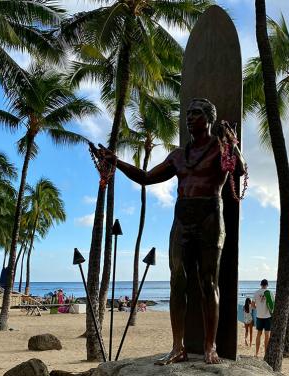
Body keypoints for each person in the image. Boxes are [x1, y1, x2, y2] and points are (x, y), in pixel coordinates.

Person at [95, 98, 245, 365]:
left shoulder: (221, 148)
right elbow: (146, 177)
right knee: (177, 280)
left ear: (209, 119)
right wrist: (116, 161)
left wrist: (233, 143)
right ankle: (178, 347)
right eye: (188, 113)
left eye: (196, 113)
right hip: (182, 218)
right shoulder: (178, 155)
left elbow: (240, 170)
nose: (189, 117)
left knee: (208, 282)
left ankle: (210, 347)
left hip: (210, 216)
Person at [252, 279, 273, 358]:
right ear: (267, 285)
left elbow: (252, 305)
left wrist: (258, 308)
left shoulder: (256, 293)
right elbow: (272, 305)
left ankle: (256, 353)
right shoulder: (270, 292)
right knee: (267, 335)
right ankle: (265, 354)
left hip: (259, 316)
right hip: (267, 317)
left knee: (258, 334)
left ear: (261, 284)